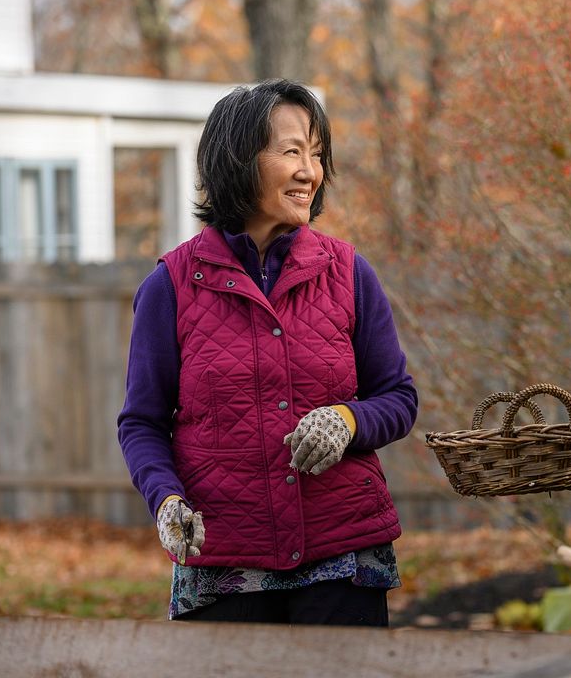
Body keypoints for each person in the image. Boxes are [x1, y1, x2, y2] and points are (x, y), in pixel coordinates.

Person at [117, 79, 418, 625]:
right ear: (237, 159)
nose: (310, 172)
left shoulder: (349, 271)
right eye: (292, 152)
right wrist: (165, 499)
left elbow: (398, 397)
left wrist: (348, 420)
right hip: (226, 560)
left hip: (341, 556)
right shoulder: (171, 286)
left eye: (318, 154)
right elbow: (141, 422)